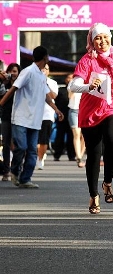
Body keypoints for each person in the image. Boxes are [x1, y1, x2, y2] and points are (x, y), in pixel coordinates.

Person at [68, 22, 113, 214]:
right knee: (94, 154)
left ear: (110, 37)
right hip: (91, 111)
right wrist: (89, 86)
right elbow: (73, 86)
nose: (102, 41)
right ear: (92, 41)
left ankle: (108, 182)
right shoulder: (87, 61)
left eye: (105, 37)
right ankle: (94, 195)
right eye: (97, 38)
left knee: (112, 141)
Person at [0, 46, 64, 188]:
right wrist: (2, 102)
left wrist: (56, 109)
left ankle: (25, 179)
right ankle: (15, 171)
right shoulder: (27, 72)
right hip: (21, 117)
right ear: (45, 58)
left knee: (31, 151)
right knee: (21, 147)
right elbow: (14, 88)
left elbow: (46, 96)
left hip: (35, 119)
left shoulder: (41, 76)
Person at [0, 62, 21, 181]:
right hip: (6, 117)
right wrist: (3, 81)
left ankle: (16, 168)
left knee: (18, 143)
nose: (13, 74)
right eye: (11, 71)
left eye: (15, 71)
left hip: (19, 117)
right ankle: (6, 170)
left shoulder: (21, 85)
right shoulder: (5, 84)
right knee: (6, 144)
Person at [36, 63, 58, 170]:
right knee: (35, 139)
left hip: (47, 114)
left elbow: (53, 96)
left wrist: (45, 83)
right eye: (42, 68)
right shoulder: (34, 80)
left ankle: (40, 159)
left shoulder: (52, 83)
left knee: (44, 139)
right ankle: (37, 156)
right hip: (35, 114)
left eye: (46, 68)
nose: (44, 70)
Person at [52, 73, 76, 162]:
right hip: (62, 116)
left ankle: (72, 155)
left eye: (72, 78)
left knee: (72, 136)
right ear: (66, 80)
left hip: (72, 116)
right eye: (68, 78)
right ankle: (57, 154)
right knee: (60, 136)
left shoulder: (77, 90)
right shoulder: (60, 90)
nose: (70, 80)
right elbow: (55, 102)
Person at [68, 76, 86, 168]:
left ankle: (80, 155)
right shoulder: (72, 82)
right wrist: (74, 89)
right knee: (76, 134)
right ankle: (79, 157)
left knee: (85, 136)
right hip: (74, 110)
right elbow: (69, 96)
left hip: (85, 110)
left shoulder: (88, 81)